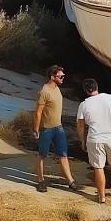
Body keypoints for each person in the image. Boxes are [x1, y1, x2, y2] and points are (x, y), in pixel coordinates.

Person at [76, 78, 111, 203]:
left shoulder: (83, 105)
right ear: (97, 87)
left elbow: (80, 126)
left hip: (95, 139)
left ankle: (102, 196)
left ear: (86, 90)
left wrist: (82, 140)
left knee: (98, 168)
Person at [33, 65, 78, 193]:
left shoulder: (57, 88)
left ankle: (70, 181)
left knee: (63, 154)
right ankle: (41, 181)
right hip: (46, 129)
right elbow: (38, 112)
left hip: (58, 127)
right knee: (42, 155)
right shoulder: (44, 91)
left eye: (63, 76)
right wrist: (36, 129)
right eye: (61, 76)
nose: (63, 78)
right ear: (53, 77)